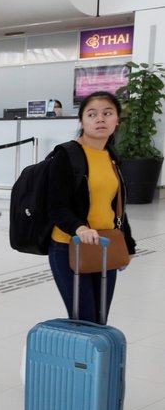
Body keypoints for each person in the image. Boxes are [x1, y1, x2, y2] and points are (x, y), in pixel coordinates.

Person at [46, 91, 135, 323]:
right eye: (92, 114)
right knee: (84, 319)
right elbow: (56, 206)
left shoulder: (112, 156)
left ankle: (94, 361)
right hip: (70, 246)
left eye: (108, 113)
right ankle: (77, 361)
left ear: (117, 120)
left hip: (105, 245)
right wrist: (80, 228)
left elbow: (117, 205)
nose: (100, 119)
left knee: (100, 319)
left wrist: (129, 244)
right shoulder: (67, 155)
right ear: (82, 120)